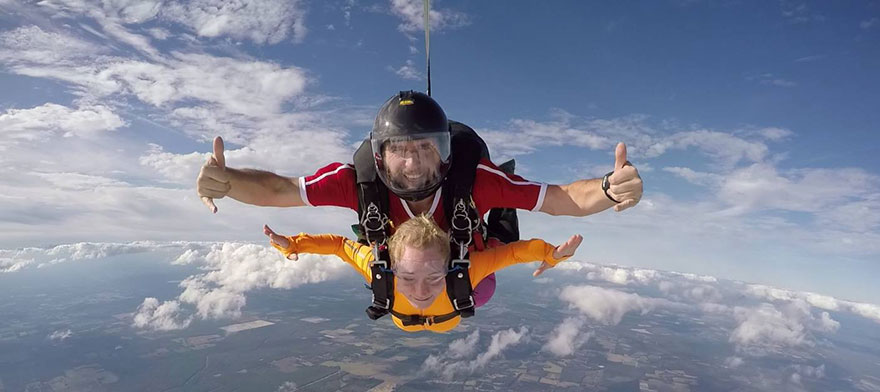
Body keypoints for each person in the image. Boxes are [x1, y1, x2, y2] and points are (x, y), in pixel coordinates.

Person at [197, 91, 641, 309]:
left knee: (479, 289)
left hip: (467, 253)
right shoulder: (357, 183)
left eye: (424, 149)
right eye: (399, 152)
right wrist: (228, 182)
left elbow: (558, 198)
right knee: (387, 281)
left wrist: (607, 189)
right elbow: (280, 190)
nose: (411, 165)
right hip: (404, 263)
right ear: (379, 156)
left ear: (445, 153)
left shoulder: (476, 182)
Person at [263, 215, 582, 332]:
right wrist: (290, 245)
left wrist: (550, 255)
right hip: (448, 315)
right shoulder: (380, 271)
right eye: (409, 276)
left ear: (448, 269)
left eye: (433, 276)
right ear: (392, 268)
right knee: (482, 285)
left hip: (455, 304)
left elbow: (513, 253)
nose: (419, 290)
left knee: (490, 270)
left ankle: (498, 212)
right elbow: (338, 245)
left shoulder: (466, 275)